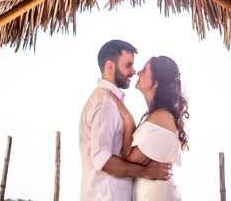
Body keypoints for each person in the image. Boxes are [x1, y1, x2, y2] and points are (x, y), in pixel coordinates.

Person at [80, 39, 172, 201]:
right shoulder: (105, 103)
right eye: (128, 65)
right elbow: (102, 159)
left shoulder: (112, 101)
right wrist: (146, 172)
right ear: (110, 66)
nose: (134, 71)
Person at [116, 56, 188, 201]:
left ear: (156, 83)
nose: (138, 73)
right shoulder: (159, 115)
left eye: (144, 70)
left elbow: (130, 158)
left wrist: (129, 121)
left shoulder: (162, 116)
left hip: (156, 195)